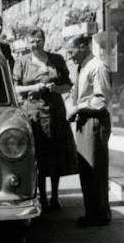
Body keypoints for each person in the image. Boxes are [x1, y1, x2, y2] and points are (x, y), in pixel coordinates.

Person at [12, 28, 76, 211]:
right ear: (27, 43)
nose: (35, 44)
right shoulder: (21, 62)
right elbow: (16, 89)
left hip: (54, 112)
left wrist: (55, 89)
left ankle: (55, 196)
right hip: (32, 113)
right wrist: (34, 87)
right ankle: (41, 197)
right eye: (31, 41)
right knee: (38, 155)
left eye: (38, 40)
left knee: (55, 154)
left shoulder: (56, 60)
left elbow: (67, 85)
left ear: (44, 40)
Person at [65, 34, 113, 227]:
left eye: (72, 51)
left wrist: (78, 108)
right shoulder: (83, 67)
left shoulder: (97, 67)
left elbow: (101, 100)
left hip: (94, 121)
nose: (69, 57)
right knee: (86, 169)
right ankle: (91, 212)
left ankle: (100, 214)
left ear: (83, 46)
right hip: (84, 121)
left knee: (95, 169)